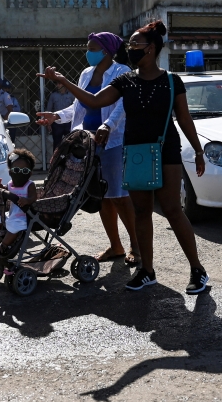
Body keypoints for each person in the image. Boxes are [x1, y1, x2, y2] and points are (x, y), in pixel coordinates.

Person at [38, 21, 209, 295]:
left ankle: (197, 269)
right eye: (129, 45)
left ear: (150, 49)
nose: (129, 49)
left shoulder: (171, 81)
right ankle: (147, 271)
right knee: (141, 211)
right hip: (135, 152)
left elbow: (185, 119)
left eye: (135, 45)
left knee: (173, 211)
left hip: (166, 151)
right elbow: (93, 102)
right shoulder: (125, 81)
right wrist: (63, 81)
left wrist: (198, 151)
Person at [37, 32, 140, 266]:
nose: (88, 52)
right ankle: (116, 246)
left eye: (92, 48)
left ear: (106, 51)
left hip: (113, 142)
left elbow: (122, 107)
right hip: (89, 144)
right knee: (101, 196)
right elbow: (78, 107)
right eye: (87, 47)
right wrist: (56, 116)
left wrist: (108, 125)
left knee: (119, 197)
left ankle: (137, 245)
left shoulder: (122, 71)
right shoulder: (86, 74)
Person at [46, 81, 75, 150]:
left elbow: (75, 108)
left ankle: (69, 159)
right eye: (57, 83)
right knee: (57, 143)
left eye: (59, 83)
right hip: (57, 123)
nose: (57, 85)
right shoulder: (53, 95)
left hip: (68, 122)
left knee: (71, 142)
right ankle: (56, 159)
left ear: (64, 84)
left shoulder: (71, 95)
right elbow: (49, 109)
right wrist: (48, 123)